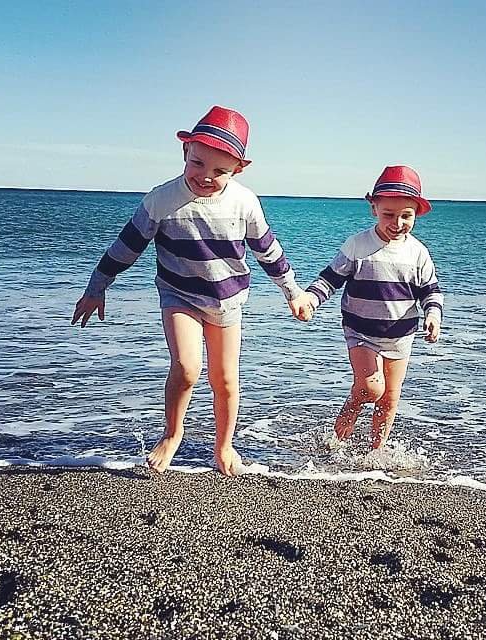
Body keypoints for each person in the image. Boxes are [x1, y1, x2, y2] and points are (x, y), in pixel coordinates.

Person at [72, 105, 314, 476]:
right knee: (187, 368)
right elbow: (127, 246)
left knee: (225, 380)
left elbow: (268, 251)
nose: (206, 176)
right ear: (185, 150)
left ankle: (224, 445)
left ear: (238, 169)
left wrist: (293, 292)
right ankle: (173, 434)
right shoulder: (160, 200)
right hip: (179, 295)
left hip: (227, 300)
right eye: (198, 163)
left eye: (220, 170)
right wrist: (96, 287)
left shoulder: (244, 203)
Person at [304, 165, 444, 448]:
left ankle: (375, 452)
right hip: (361, 331)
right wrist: (311, 299)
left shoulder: (418, 253)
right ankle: (353, 405)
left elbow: (430, 290)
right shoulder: (357, 245)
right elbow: (330, 279)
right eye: (388, 214)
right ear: (374, 209)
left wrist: (433, 315)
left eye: (406, 216)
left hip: (401, 335)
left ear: (416, 214)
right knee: (371, 387)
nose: (397, 223)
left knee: (390, 397)